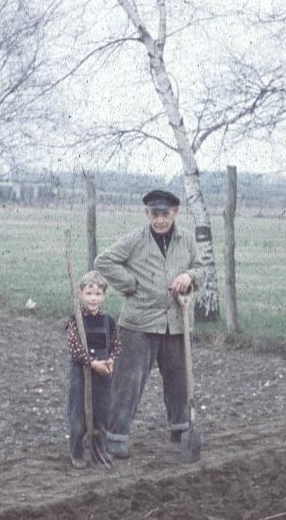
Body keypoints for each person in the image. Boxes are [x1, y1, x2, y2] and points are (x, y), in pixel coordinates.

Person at [94, 189, 203, 459]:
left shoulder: (186, 239)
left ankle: (181, 428)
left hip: (175, 322)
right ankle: (115, 436)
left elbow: (202, 267)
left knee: (179, 378)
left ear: (175, 213)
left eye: (165, 214)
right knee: (128, 380)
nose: (160, 220)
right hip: (138, 323)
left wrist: (189, 276)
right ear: (147, 214)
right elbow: (103, 261)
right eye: (154, 214)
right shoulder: (135, 239)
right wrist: (129, 284)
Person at [65, 270, 122, 469]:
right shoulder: (76, 321)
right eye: (89, 294)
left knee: (102, 412)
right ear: (81, 294)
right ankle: (77, 452)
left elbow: (116, 345)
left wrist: (110, 361)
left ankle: (99, 451)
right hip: (81, 372)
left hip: (104, 372)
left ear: (103, 296)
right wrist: (91, 363)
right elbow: (75, 348)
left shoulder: (109, 321)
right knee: (78, 413)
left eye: (97, 294)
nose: (93, 298)